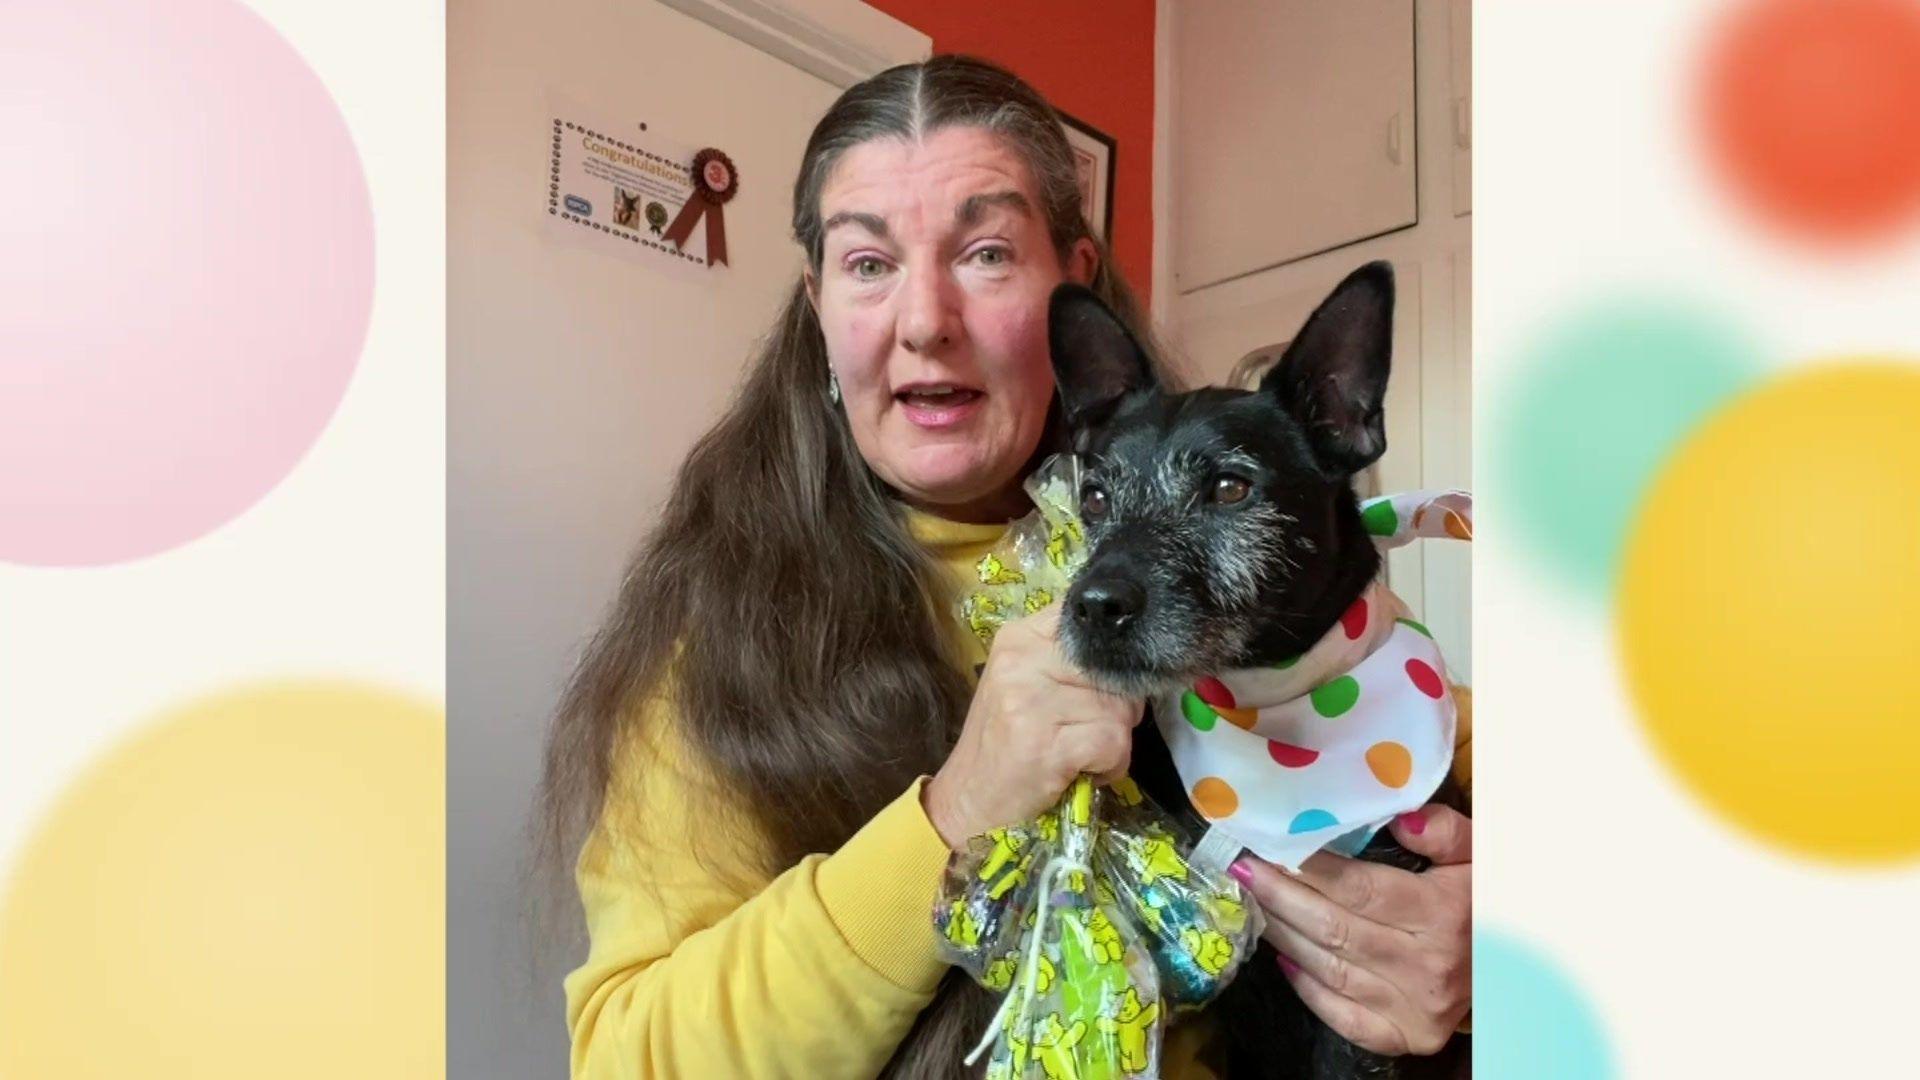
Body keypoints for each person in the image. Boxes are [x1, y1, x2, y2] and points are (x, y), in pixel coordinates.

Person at [533, 55, 1471, 1079]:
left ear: (1070, 288)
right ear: (818, 309)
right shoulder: (724, 652)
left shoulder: (1291, 589)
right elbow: (628, 1059)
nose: (926, 318)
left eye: (984, 252)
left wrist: (1475, 956)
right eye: (867, 263)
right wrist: (954, 817)